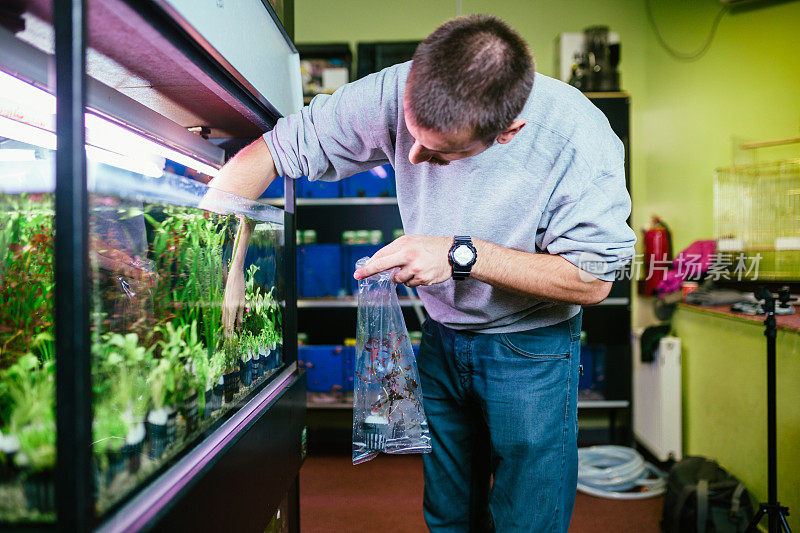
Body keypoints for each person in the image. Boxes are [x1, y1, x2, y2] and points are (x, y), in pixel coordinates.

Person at [211, 14, 635, 533]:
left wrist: (461, 254)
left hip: (531, 347)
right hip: (441, 337)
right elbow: (266, 156)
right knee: (447, 514)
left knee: (527, 520)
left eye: (437, 153)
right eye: (409, 134)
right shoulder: (393, 89)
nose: (410, 156)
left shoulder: (576, 136)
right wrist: (223, 272)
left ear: (508, 132)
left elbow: (592, 278)